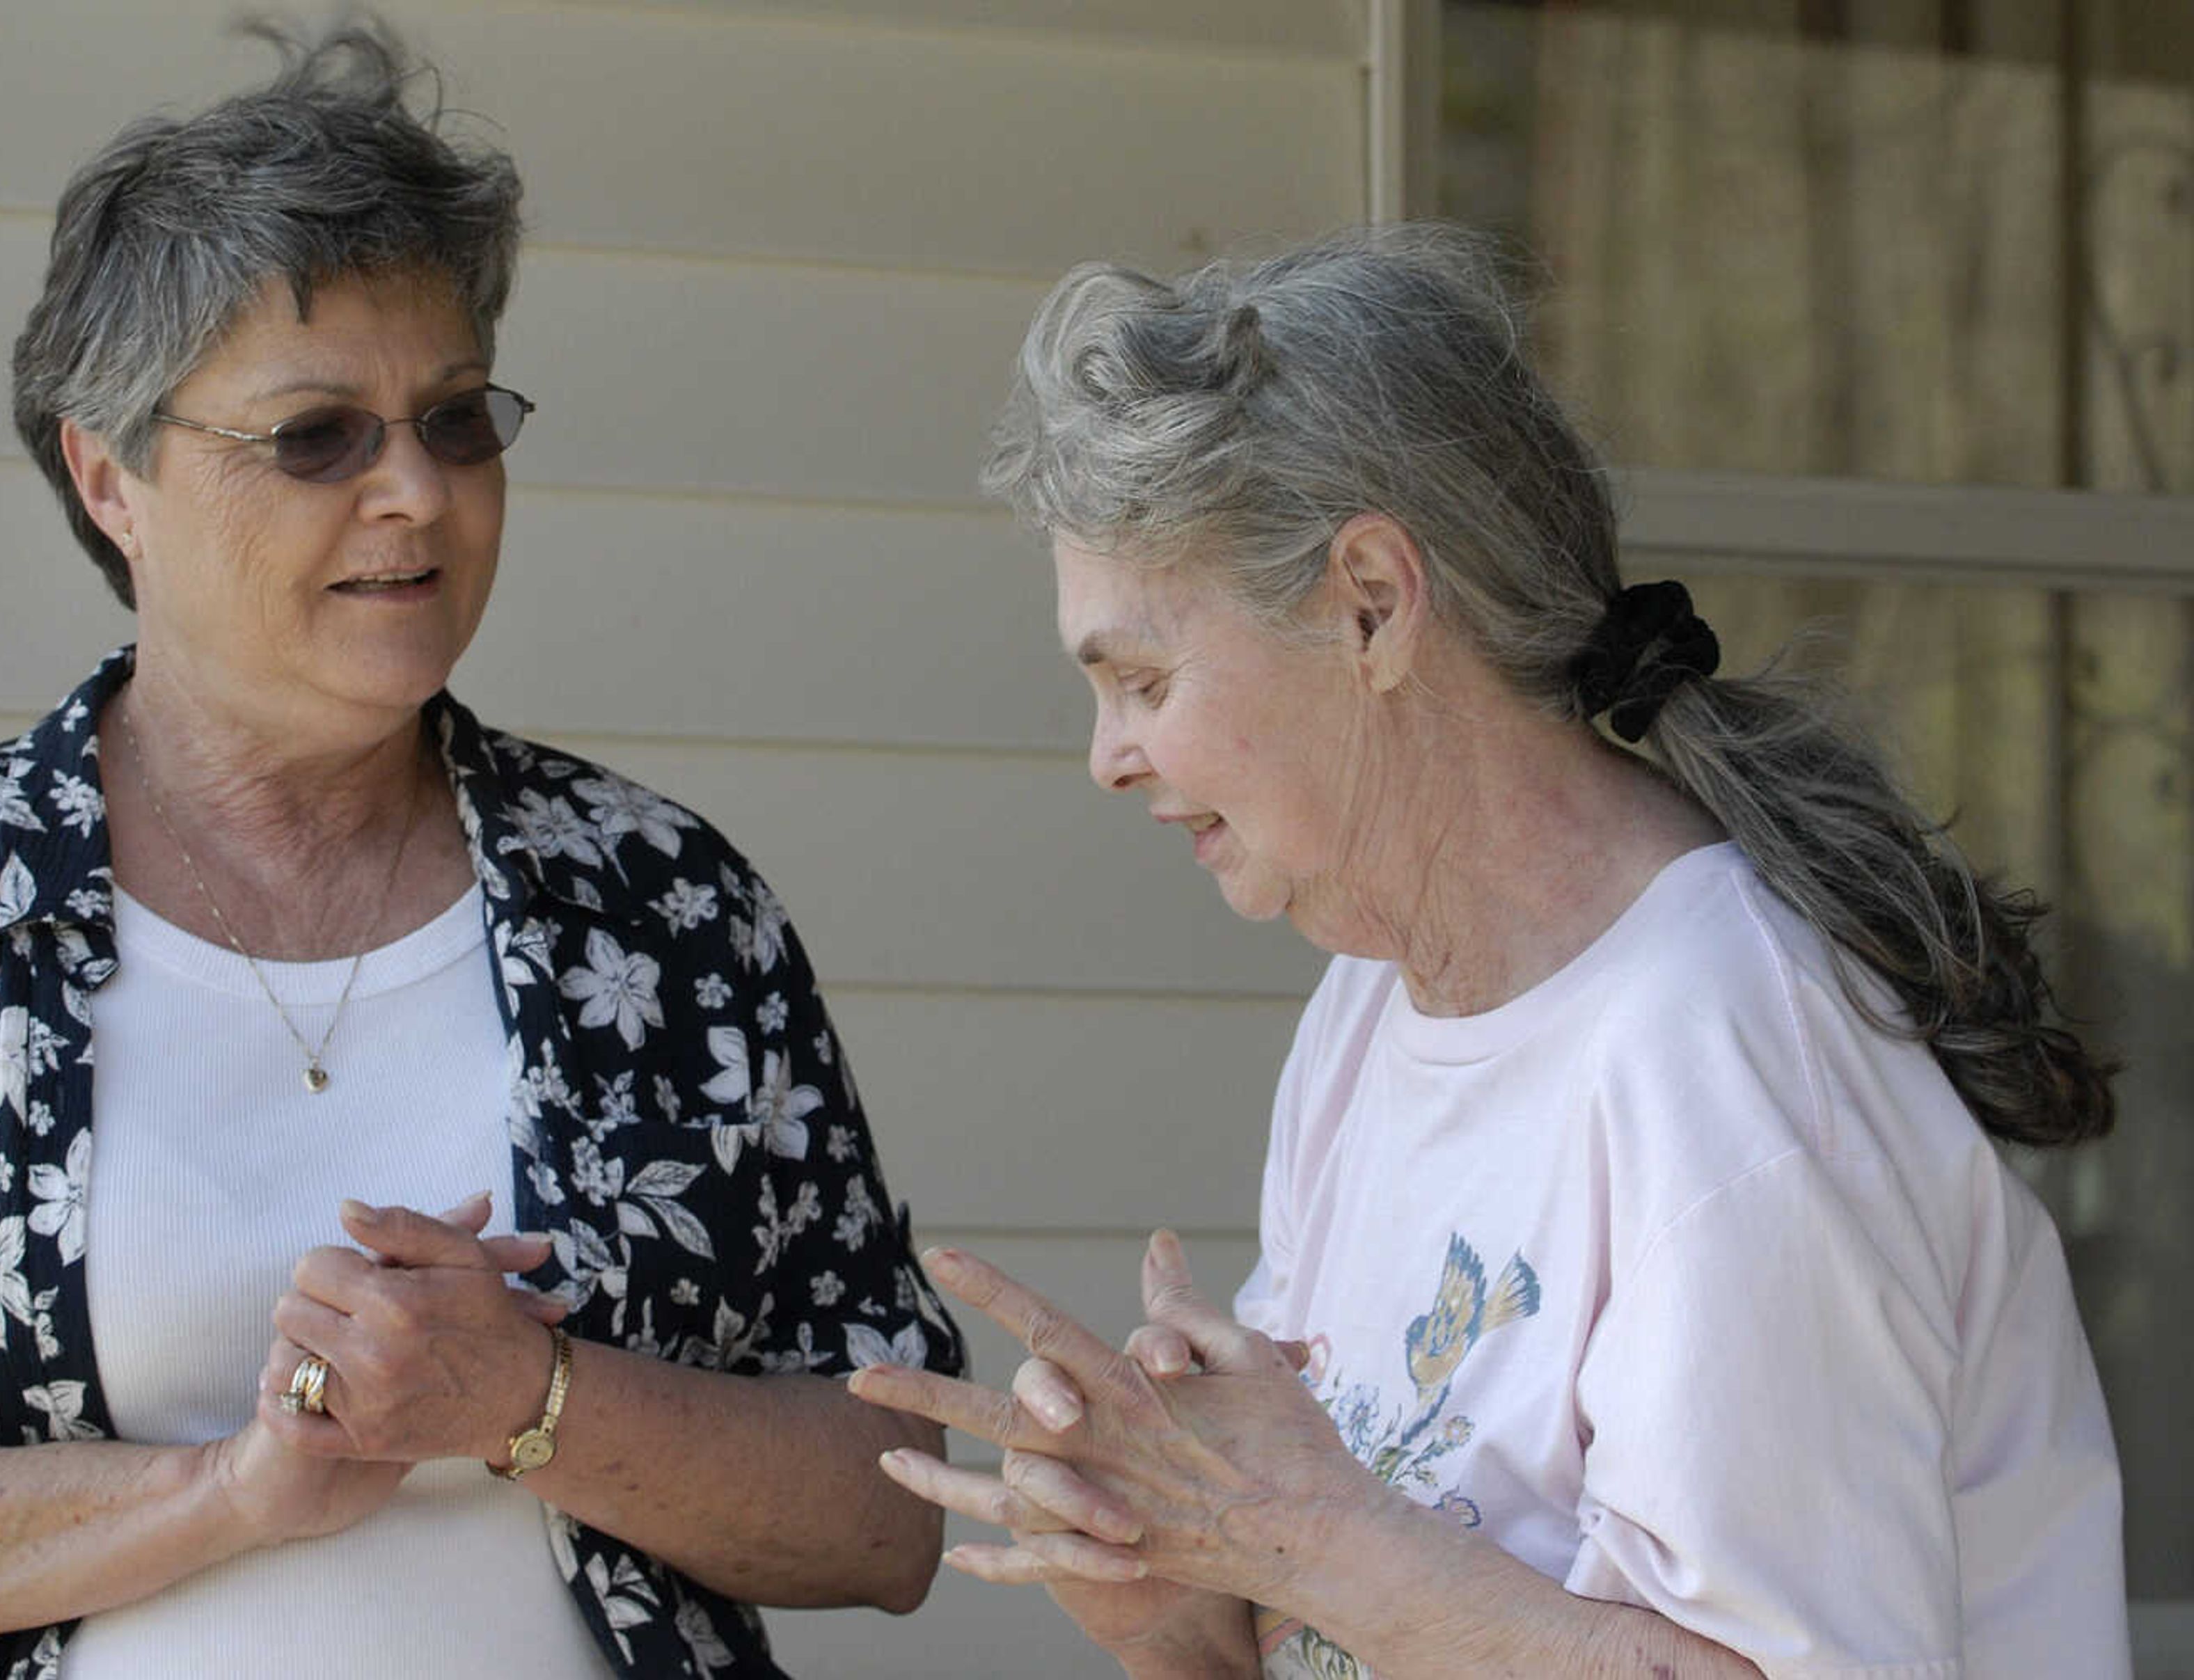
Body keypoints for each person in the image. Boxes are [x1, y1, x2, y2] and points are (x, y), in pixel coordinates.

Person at [0, 24, 960, 1679]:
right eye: (318, 436)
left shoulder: (662, 909)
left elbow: (889, 1509)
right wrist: (228, 1494)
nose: (416, 492)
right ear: (112, 477)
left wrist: (534, 1400)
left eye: (458, 420)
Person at [851, 226, 2126, 1679]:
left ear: (1374, 604)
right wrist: (1155, 1577)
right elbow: (1313, 1627)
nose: (1109, 758)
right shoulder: (1368, 1009)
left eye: (1143, 677)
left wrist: (1306, 1536)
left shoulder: (1726, 1050)